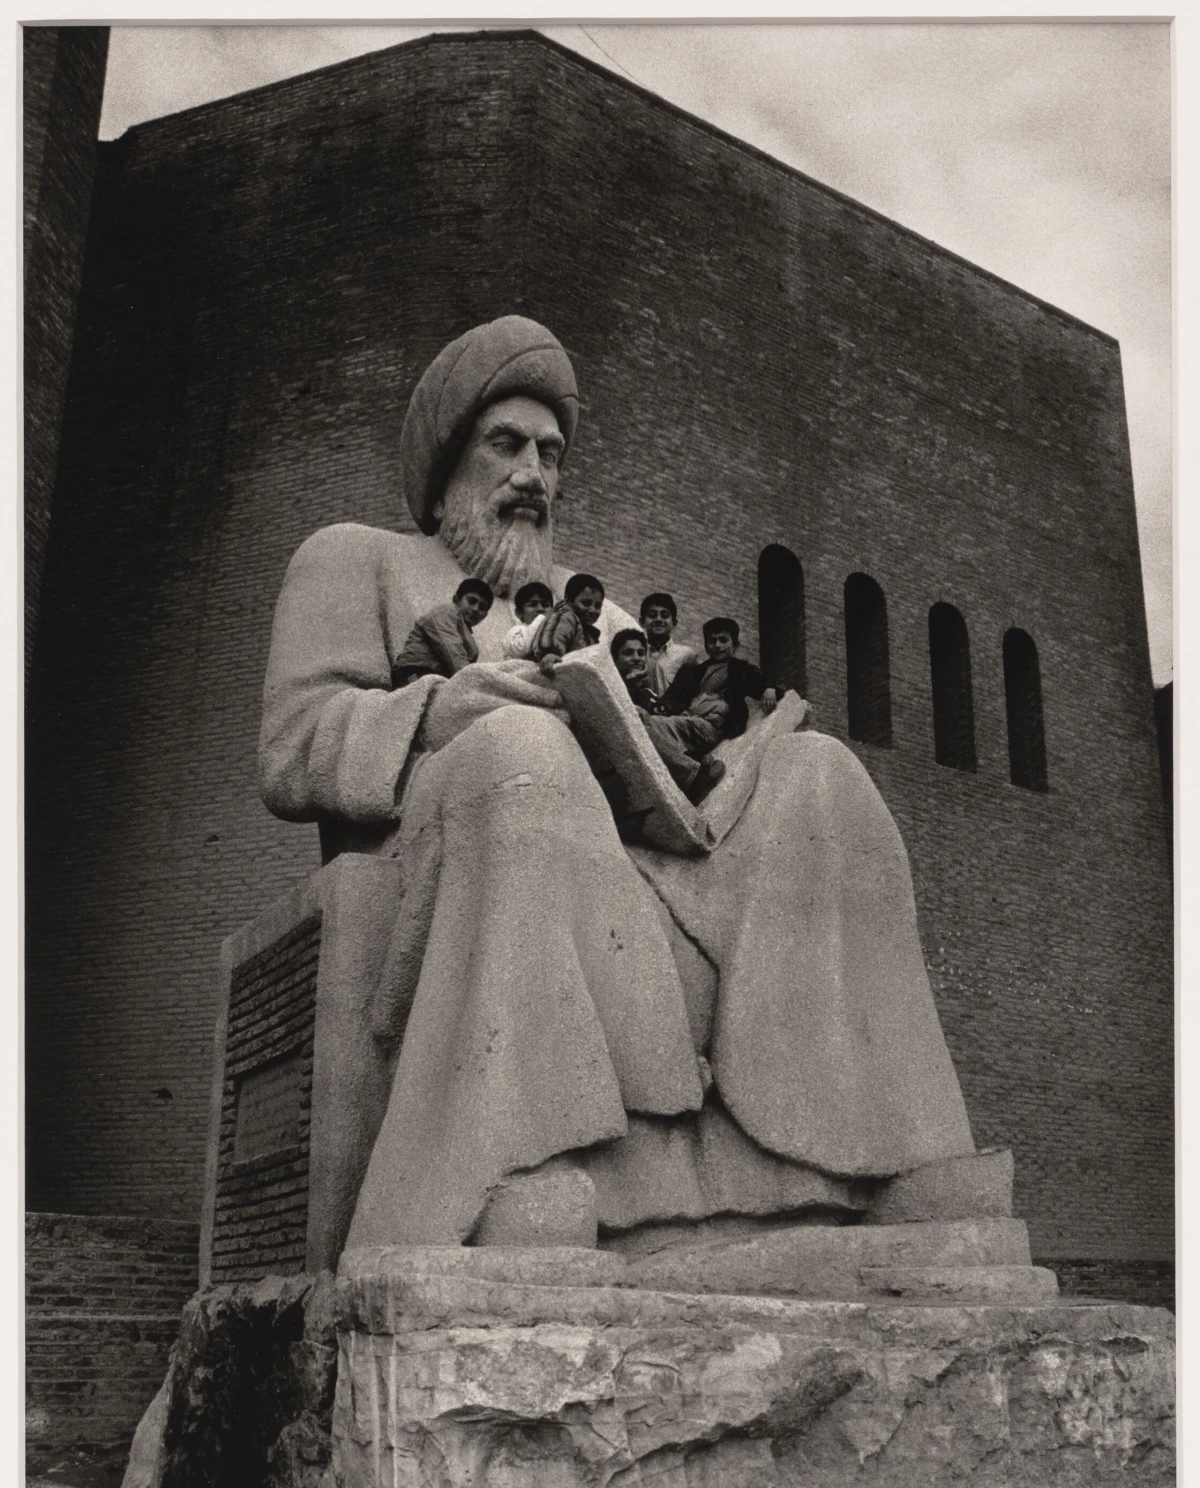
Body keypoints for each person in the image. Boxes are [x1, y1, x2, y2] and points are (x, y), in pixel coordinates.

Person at [261, 315, 981, 1253]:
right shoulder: (356, 559)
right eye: (507, 445)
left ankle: (858, 1157)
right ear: (447, 464)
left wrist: (743, 729)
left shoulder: (599, 606)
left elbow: (692, 707)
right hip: (456, 832)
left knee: (821, 778)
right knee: (525, 750)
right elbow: (292, 745)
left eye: (552, 454)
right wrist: (440, 710)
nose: (535, 475)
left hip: (630, 845)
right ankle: (512, 1168)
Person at [610, 627, 727, 801]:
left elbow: (659, 726)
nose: (636, 658)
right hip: (617, 753)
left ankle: (690, 760)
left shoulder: (647, 693)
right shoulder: (610, 684)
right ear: (615, 659)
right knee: (639, 717)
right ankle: (693, 779)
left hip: (644, 755)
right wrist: (629, 688)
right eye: (628, 653)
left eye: (641, 653)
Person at [660, 616, 778, 740]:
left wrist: (770, 688)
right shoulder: (693, 671)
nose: (717, 645)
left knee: (661, 726)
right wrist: (662, 706)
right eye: (712, 641)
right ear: (706, 646)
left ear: (736, 645)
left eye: (723, 640)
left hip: (717, 723)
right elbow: (673, 696)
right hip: (689, 717)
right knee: (654, 722)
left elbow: (763, 681)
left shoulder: (741, 669)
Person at [389, 578, 493, 686]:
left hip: (437, 680)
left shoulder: (471, 643)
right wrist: (473, 686)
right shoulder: (447, 612)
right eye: (471, 601)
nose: (476, 609)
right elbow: (453, 652)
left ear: (485, 615)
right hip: (413, 672)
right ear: (456, 600)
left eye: (482, 607)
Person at [527, 573, 606, 671]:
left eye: (598, 606)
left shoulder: (589, 634)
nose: (592, 610)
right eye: (586, 603)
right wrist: (550, 653)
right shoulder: (565, 616)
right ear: (569, 599)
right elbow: (553, 632)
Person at [639, 592, 699, 697]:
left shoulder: (687, 655)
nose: (658, 619)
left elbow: (692, 693)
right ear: (642, 622)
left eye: (665, 615)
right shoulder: (636, 654)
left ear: (674, 622)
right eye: (652, 615)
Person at [500, 581, 555, 658]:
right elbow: (522, 648)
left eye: (545, 605)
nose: (540, 608)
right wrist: (542, 618)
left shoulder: (554, 632)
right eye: (533, 605)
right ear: (519, 613)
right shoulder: (517, 631)